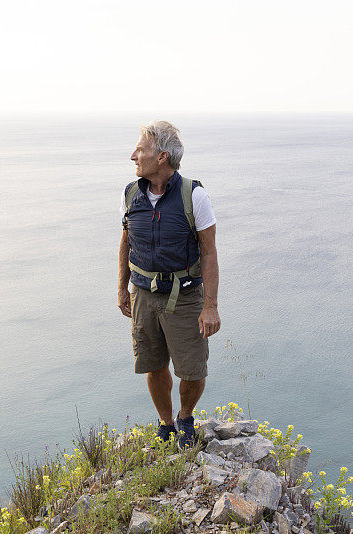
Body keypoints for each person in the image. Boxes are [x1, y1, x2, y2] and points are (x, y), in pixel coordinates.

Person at [118, 120, 220, 449]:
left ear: (162, 157)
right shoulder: (131, 193)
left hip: (185, 296)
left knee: (192, 369)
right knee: (152, 363)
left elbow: (209, 251)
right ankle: (166, 423)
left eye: (141, 150)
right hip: (143, 295)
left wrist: (210, 306)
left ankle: (186, 416)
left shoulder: (194, 196)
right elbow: (126, 242)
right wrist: (122, 289)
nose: (133, 155)